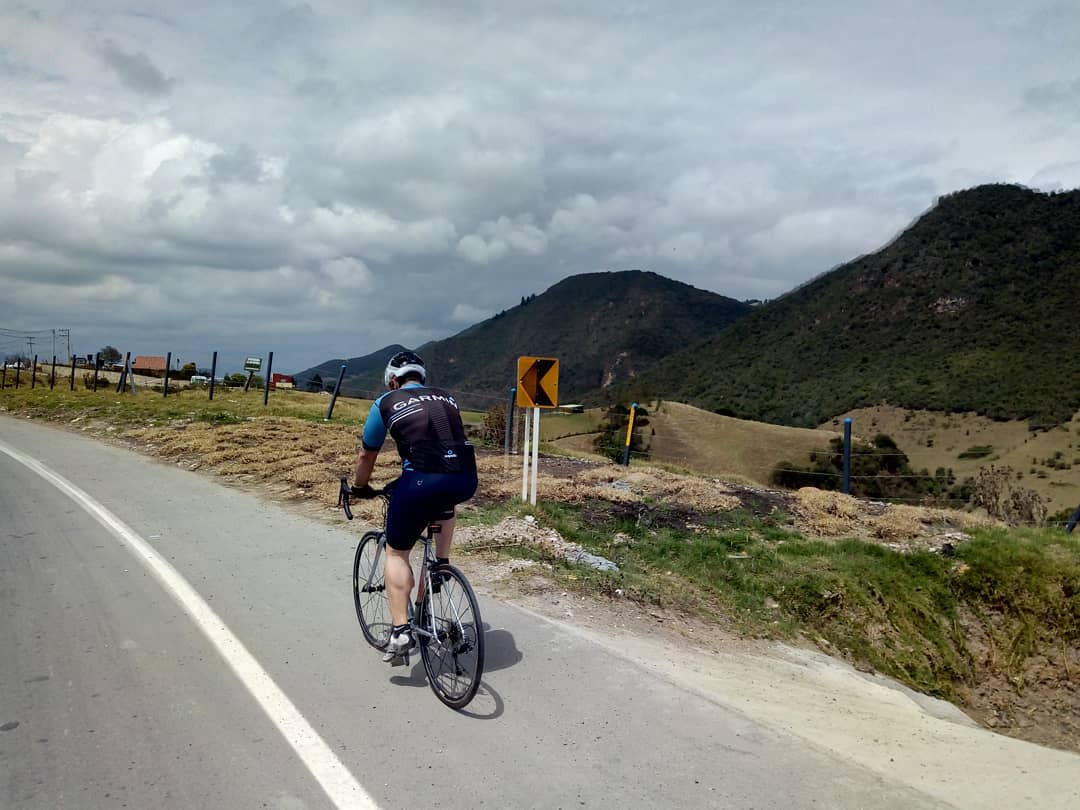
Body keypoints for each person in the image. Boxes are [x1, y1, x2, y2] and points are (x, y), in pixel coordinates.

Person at [351, 350, 478, 661]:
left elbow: (368, 455)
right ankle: (441, 568)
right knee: (443, 500)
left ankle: (400, 630)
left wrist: (359, 487)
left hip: (421, 481)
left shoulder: (386, 402)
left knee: (397, 551)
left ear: (393, 381)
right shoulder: (447, 398)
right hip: (464, 479)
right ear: (422, 378)